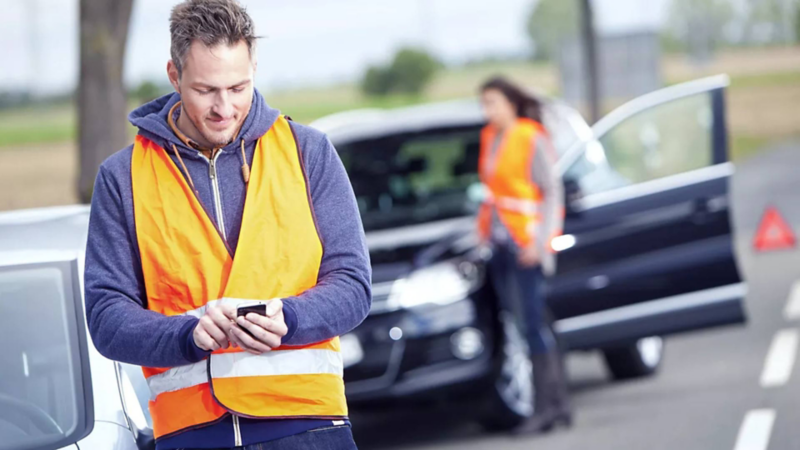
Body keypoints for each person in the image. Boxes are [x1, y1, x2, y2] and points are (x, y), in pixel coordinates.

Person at [83, 1, 371, 449]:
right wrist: (185, 334)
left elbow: (353, 285)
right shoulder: (123, 178)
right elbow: (106, 317)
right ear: (174, 76)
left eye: (239, 87)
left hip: (310, 428)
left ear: (254, 67)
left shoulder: (308, 152)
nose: (224, 107)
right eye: (205, 90)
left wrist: (290, 319)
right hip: (192, 436)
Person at [477, 76, 570, 434]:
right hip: (499, 245)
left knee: (533, 325)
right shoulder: (490, 137)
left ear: (511, 103)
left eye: (492, 103)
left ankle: (548, 406)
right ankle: (558, 404)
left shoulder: (531, 136)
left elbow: (550, 190)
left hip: (525, 246)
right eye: (484, 104)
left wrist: (542, 242)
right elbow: (492, 191)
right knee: (522, 324)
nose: (487, 111)